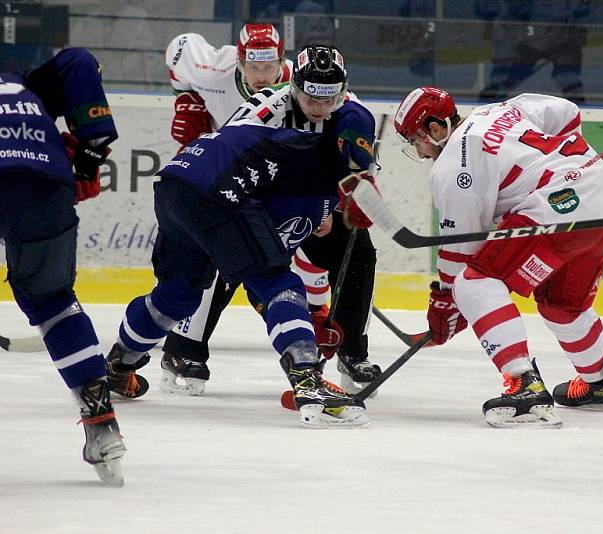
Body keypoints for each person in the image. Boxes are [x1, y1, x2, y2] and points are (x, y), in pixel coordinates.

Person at [347, 86, 603, 427]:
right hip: (602, 197)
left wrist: (445, 303)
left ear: (436, 129)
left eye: (416, 140)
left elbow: (460, 254)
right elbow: (566, 111)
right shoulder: (501, 110)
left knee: (473, 283)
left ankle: (524, 385)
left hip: (556, 210)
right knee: (563, 305)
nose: (420, 152)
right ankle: (600, 383)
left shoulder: (452, 167)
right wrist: (567, 167)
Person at [103, 112, 369, 427]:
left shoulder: (298, 145)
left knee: (177, 296)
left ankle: (118, 365)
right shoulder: (311, 178)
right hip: (217, 193)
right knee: (281, 284)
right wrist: (304, 331)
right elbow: (264, 279)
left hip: (175, 183)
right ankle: (307, 378)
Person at [182, 44, 380, 396]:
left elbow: (357, 176)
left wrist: (341, 202)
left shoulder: (353, 115)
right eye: (310, 100)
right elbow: (228, 170)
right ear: (295, 88)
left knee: (359, 249)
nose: (320, 109)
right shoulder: (260, 113)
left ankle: (352, 352)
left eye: (328, 100)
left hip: (311, 202)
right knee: (224, 256)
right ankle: (184, 350)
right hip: (252, 198)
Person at [160, 27, 339, 395]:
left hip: (282, 183)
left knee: (281, 256)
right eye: (252, 66)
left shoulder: (309, 85)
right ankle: (183, 349)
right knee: (217, 264)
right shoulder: (214, 70)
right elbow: (179, 49)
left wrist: (331, 200)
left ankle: (315, 319)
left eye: (269, 65)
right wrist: (185, 97)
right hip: (229, 178)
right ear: (238, 62)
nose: (260, 75)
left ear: (283, 60)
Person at [0, 48, 124, 485]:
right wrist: (89, 153)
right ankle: (102, 426)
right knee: (54, 303)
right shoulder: (25, 84)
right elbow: (78, 61)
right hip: (45, 180)